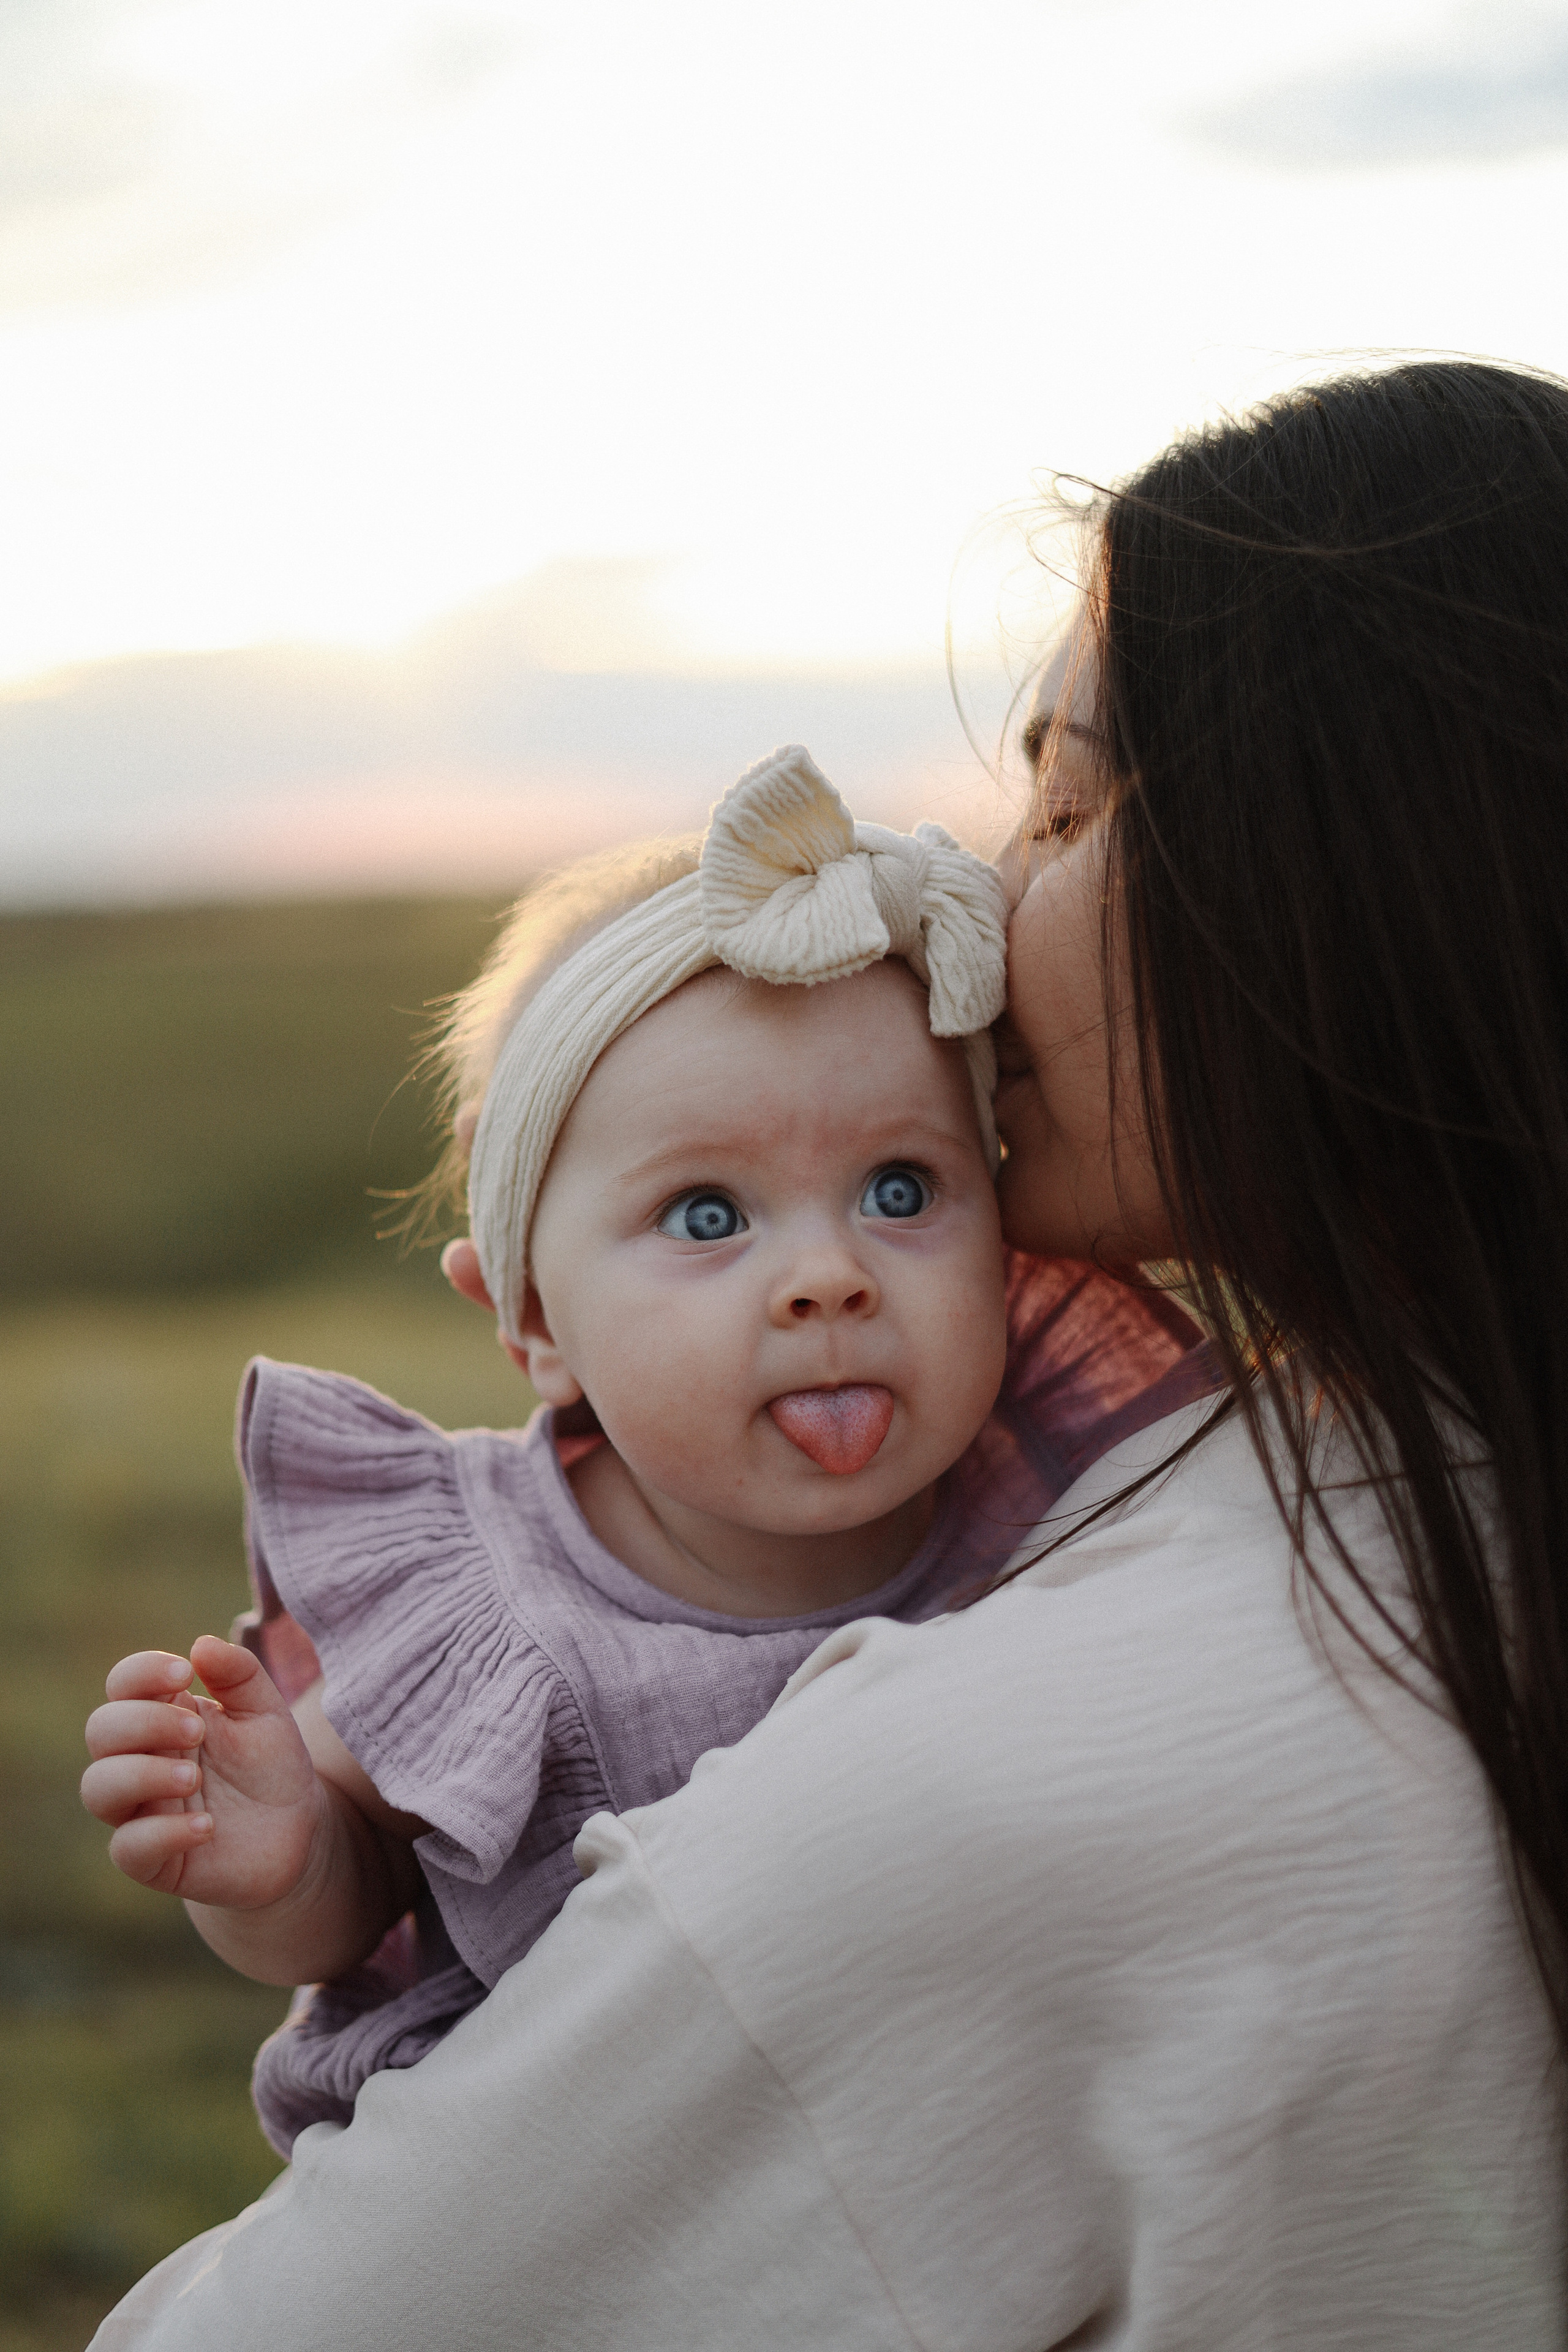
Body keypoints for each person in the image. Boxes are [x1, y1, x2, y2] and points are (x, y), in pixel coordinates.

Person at [89, 359, 1567, 2348]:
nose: (981, 889)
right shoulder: (1408, 1507)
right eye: (705, 1214)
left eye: (1060, 798)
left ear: (1352, 877)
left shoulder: (1025, 1778)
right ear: (520, 1317)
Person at [80, 747, 1203, 2158]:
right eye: (707, 1216)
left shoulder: (1069, 1481)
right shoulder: (484, 1601)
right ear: (533, 1317)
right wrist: (276, 1858)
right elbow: (354, 1878)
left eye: (898, 1188)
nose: (824, 1277)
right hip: (575, 2184)